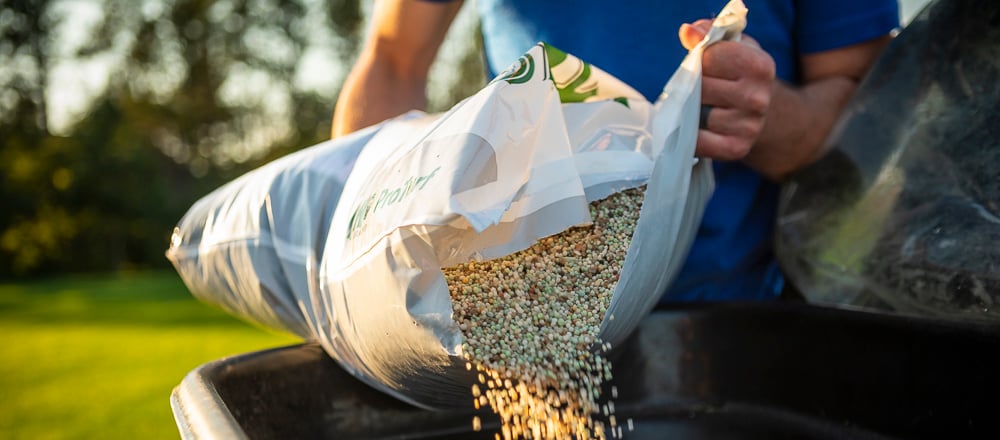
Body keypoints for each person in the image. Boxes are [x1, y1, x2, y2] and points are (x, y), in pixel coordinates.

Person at [331, 0, 899, 302]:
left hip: (741, 315)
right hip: (527, 290)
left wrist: (761, 111)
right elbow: (393, 57)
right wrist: (353, 267)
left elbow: (870, 110)